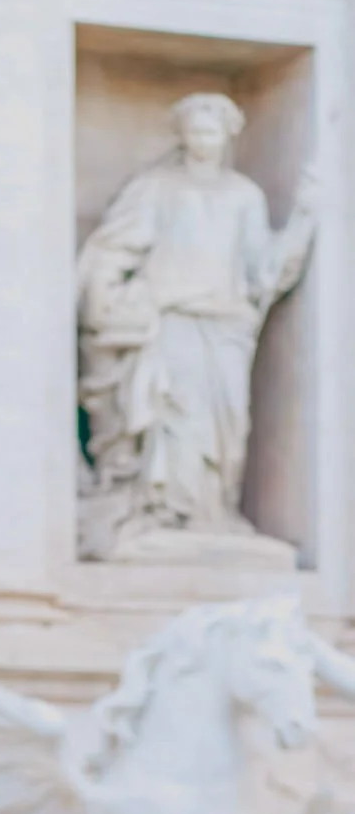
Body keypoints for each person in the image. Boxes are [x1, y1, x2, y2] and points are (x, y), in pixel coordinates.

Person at [76, 90, 316, 556]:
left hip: (225, 326)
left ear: (228, 135)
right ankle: (165, 513)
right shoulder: (155, 188)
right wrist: (110, 301)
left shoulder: (244, 196)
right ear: (182, 136)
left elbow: (264, 270)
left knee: (226, 430)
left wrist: (305, 217)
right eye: (194, 132)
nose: (202, 141)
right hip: (170, 322)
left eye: (211, 132)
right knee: (175, 422)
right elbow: (112, 251)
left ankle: (213, 513)